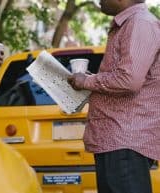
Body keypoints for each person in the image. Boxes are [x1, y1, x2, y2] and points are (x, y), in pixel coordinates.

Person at [67, 0, 160, 192]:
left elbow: (129, 80)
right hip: (116, 141)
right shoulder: (129, 24)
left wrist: (86, 81)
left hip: (125, 141)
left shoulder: (140, 23)